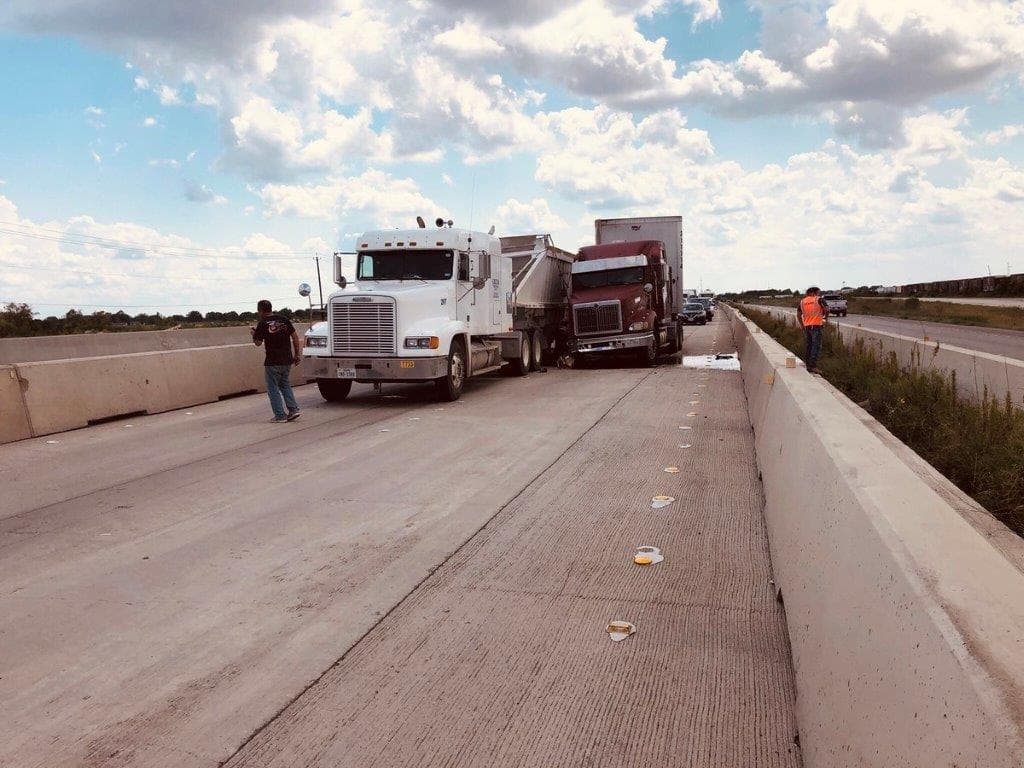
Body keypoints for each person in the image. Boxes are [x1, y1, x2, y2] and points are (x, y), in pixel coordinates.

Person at [251, 299, 302, 422]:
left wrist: (253, 334)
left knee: (273, 388)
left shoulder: (263, 323)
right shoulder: (283, 319)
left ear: (261, 310)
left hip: (273, 361)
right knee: (285, 385)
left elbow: (258, 343)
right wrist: (297, 355)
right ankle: (293, 409)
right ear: (270, 308)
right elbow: (295, 337)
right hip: (287, 359)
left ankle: (280, 415)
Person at [796, 286, 828, 374]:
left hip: (807, 327)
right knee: (816, 346)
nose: (819, 294)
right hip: (817, 326)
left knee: (809, 346)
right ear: (814, 293)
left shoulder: (802, 302)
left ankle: (808, 365)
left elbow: (798, 315)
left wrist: (802, 325)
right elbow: (827, 309)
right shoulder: (819, 299)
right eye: (818, 293)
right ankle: (813, 366)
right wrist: (825, 318)